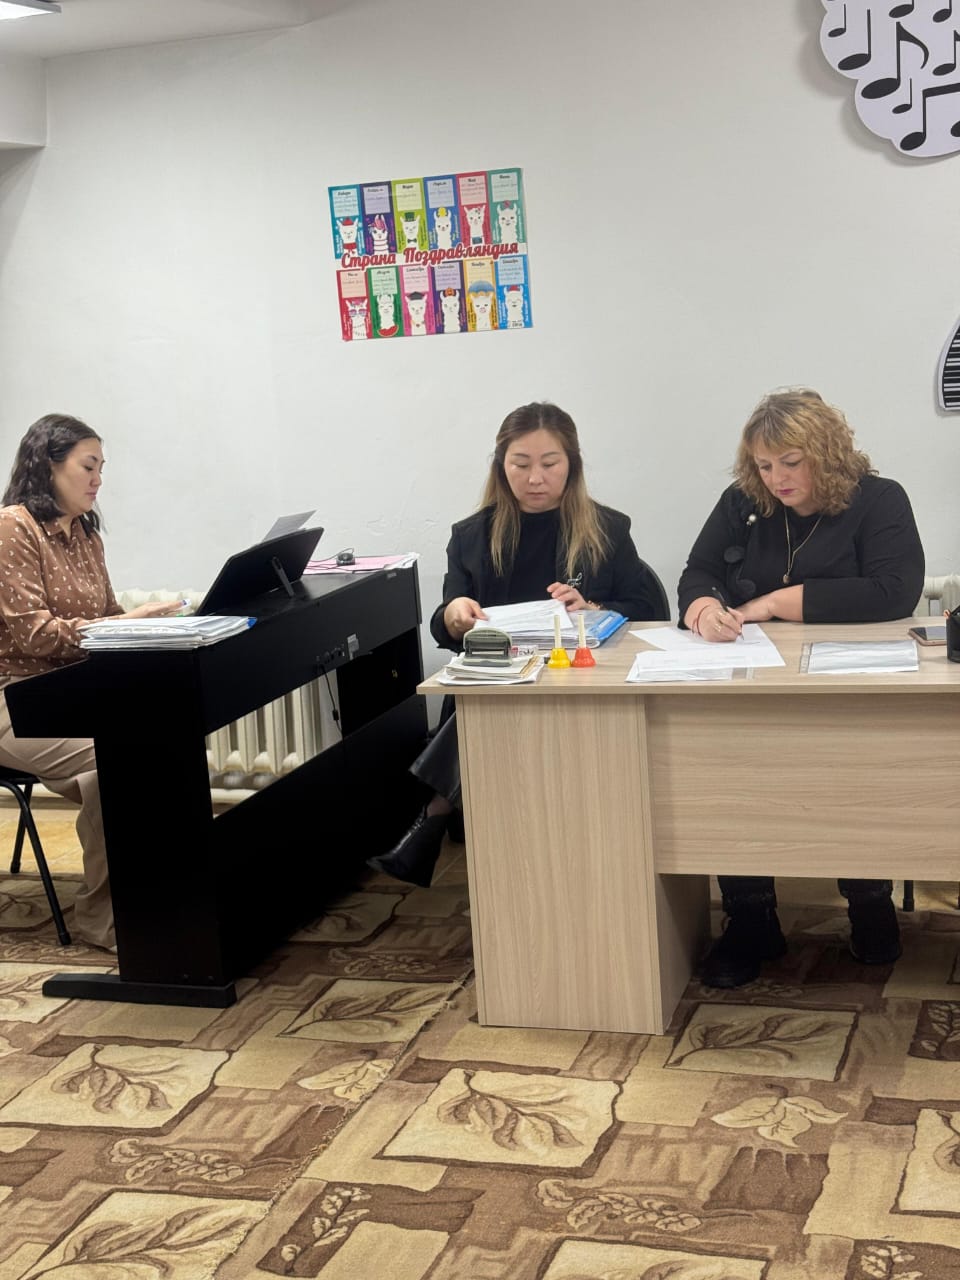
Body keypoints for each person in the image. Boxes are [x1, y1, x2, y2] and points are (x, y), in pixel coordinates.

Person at [677, 388, 925, 989]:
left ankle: (868, 902)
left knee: (851, 776)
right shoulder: (744, 502)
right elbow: (698, 571)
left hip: (849, 681)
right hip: (754, 677)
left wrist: (774, 603)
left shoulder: (879, 499)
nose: (777, 479)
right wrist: (703, 609)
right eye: (764, 465)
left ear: (826, 452)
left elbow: (894, 590)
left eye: (791, 462)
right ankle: (750, 918)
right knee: (731, 777)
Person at [369, 400, 666, 887]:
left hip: (581, 682)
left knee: (490, 709)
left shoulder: (608, 529)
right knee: (487, 701)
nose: (534, 478)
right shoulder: (471, 537)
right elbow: (444, 625)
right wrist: (456, 615)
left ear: (572, 465)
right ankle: (470, 837)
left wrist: (591, 608)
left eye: (549, 464)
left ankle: (435, 813)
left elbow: (647, 608)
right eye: (520, 464)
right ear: (500, 466)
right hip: (499, 679)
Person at [0, 414, 185, 950]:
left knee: (165, 737)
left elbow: (105, 617)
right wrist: (123, 624)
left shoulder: (85, 532)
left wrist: (149, 627)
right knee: (118, 761)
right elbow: (35, 634)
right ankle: (107, 917)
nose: (98, 478)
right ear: (48, 465)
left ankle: (167, 895)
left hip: (72, 688)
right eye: (88, 466)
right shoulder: (12, 528)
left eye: (102, 467)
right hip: (14, 695)